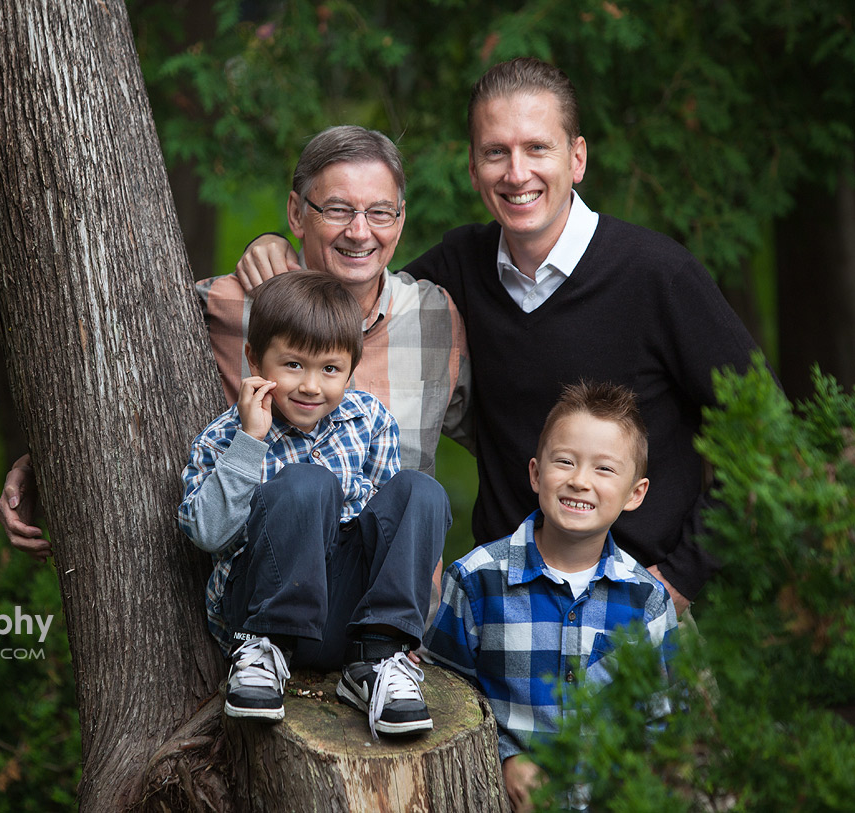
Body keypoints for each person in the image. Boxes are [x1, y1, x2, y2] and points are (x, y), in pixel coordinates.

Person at [236, 58, 763, 616]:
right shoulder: (458, 272)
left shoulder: (659, 277)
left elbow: (763, 434)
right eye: (495, 152)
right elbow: (359, 281)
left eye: (537, 148)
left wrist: (680, 578)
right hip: (498, 611)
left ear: (577, 158)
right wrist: (279, 249)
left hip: (634, 606)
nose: (516, 173)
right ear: (473, 169)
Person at [0, 125, 471, 565]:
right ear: (295, 213)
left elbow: (504, 432)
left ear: (400, 218)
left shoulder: (436, 318)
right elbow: (109, 363)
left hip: (394, 634)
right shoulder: (228, 306)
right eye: (337, 209)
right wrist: (42, 460)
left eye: (379, 212)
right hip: (263, 617)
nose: (360, 231)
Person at [178, 272, 450, 737]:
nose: (310, 386)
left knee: (421, 490)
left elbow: (391, 530)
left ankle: (378, 660)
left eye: (329, 369)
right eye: (292, 365)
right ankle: (265, 655)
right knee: (308, 483)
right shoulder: (227, 435)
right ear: (254, 359)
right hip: (263, 610)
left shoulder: (370, 420)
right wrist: (250, 442)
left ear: (351, 367)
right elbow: (205, 534)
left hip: (348, 620)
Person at [424, 381, 677, 813]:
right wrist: (503, 754)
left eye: (604, 469)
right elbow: (443, 698)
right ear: (537, 474)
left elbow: (663, 724)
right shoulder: (476, 581)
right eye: (565, 462)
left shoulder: (646, 601)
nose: (580, 481)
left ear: (635, 494)